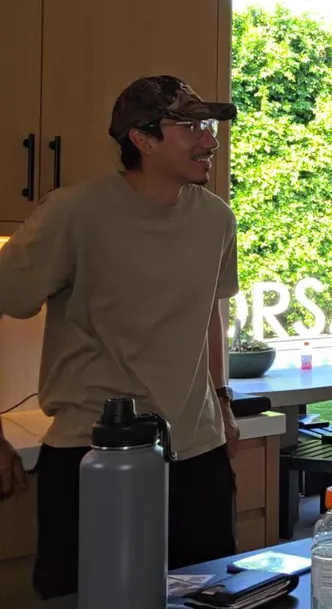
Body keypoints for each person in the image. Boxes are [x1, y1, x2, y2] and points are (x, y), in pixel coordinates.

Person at [0, 75, 240, 599]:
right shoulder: (73, 213)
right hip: (93, 455)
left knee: (208, 595)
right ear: (143, 139)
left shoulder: (216, 219)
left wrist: (221, 404)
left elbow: (209, 312)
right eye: (191, 127)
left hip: (196, 453)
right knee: (86, 598)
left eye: (209, 126)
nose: (210, 140)